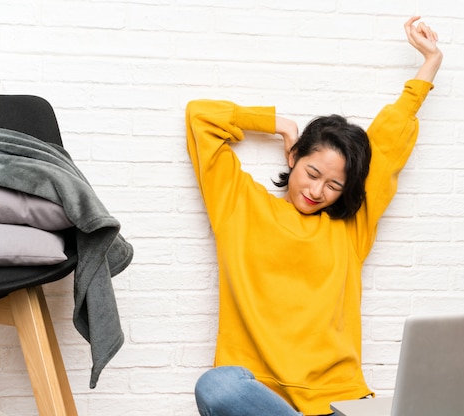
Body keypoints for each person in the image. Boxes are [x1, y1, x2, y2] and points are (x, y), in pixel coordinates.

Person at [185, 16, 442, 416]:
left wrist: (429, 64)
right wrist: (279, 124)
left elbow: (389, 142)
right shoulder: (239, 204)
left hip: (339, 398)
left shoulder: (350, 225)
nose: (317, 191)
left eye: (334, 186)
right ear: (294, 157)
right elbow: (200, 117)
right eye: (312, 173)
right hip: (260, 397)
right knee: (217, 386)